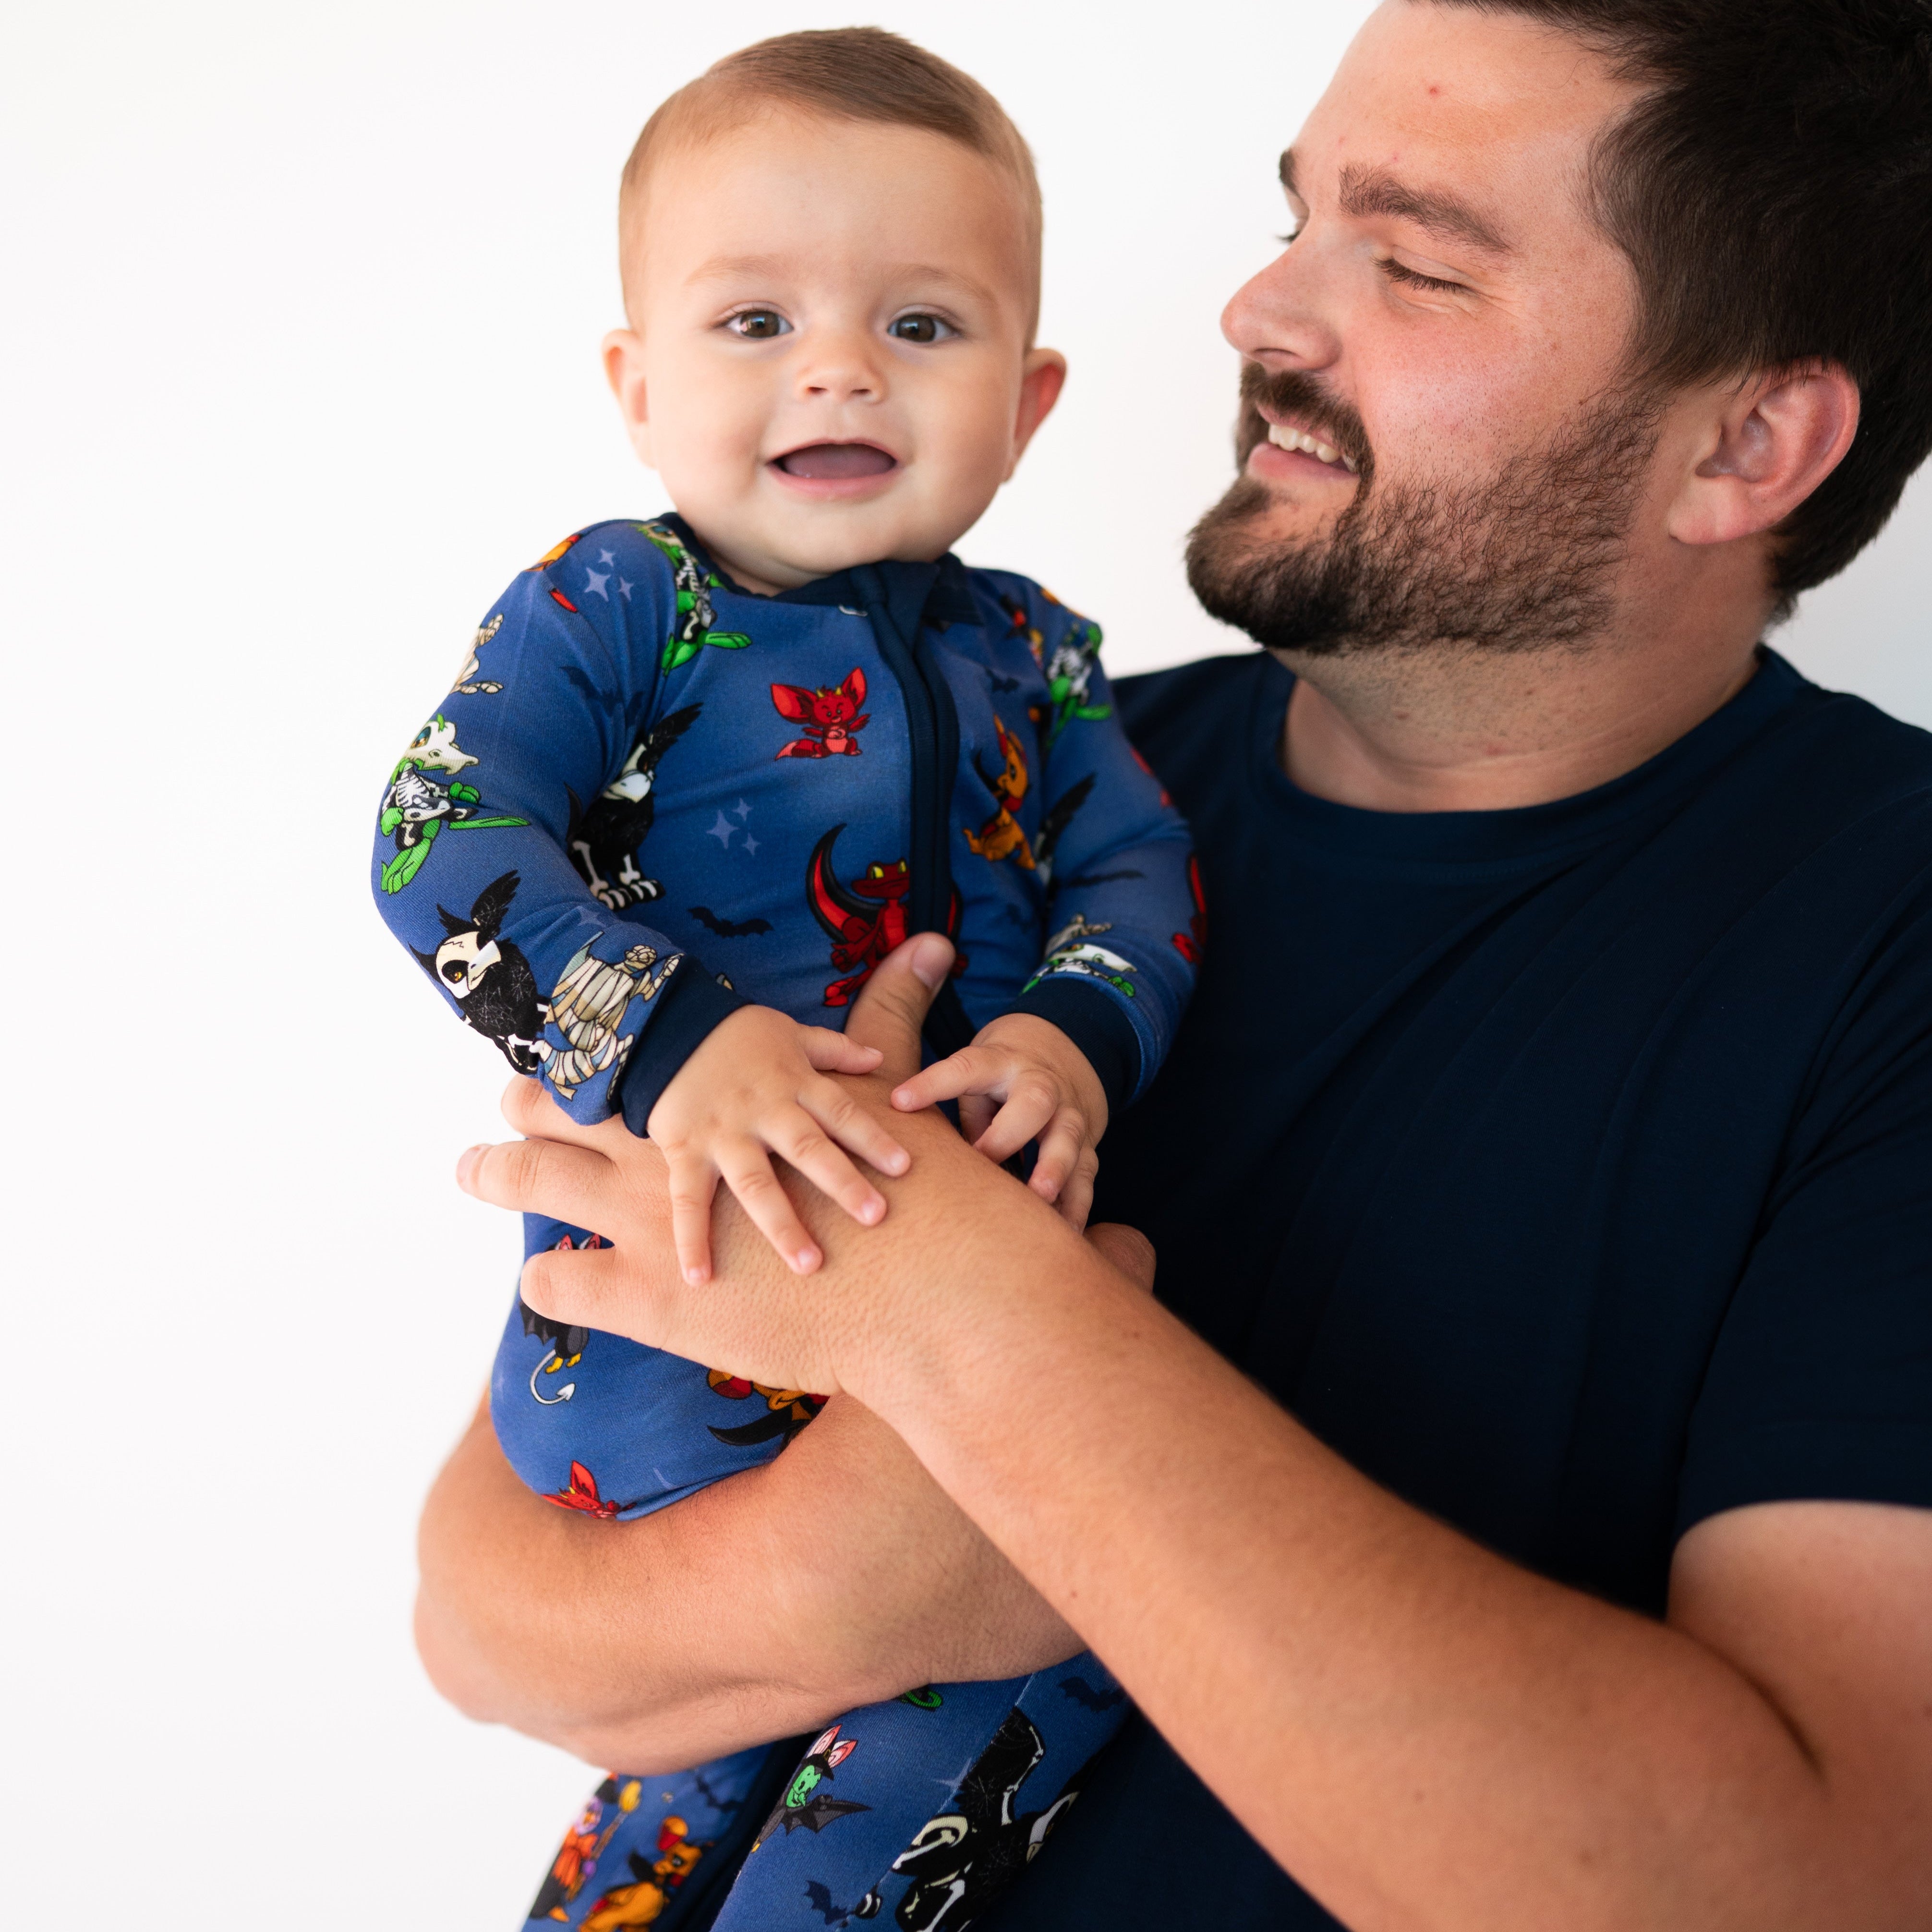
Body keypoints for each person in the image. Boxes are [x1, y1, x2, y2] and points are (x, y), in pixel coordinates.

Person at [420, 2, 1932, 1927]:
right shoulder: (987, 795)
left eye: (1410, 260)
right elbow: (482, 1615)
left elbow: (1811, 1886)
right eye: (1296, 216)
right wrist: (869, 1573)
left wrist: (968, 1327)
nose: (1257, 309)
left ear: (1744, 440)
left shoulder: (1885, 951)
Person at [368, 25, 1200, 1929]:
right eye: (754, 322)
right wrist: (671, 1049)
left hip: (941, 1323)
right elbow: (435, 830)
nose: (836, 363)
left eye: (922, 325)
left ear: (1030, 395)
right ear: (635, 383)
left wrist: (1072, 1033)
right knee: (913, 1683)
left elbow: (1142, 869)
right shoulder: (618, 602)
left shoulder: (1039, 657)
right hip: (672, 1307)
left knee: (908, 1712)